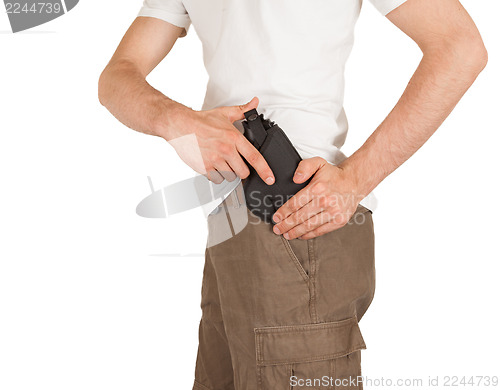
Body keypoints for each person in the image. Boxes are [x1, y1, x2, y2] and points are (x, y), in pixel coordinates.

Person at [98, 0, 487, 388]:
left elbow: (460, 47)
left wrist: (354, 180)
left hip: (298, 214)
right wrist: (177, 121)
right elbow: (117, 76)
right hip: (229, 216)